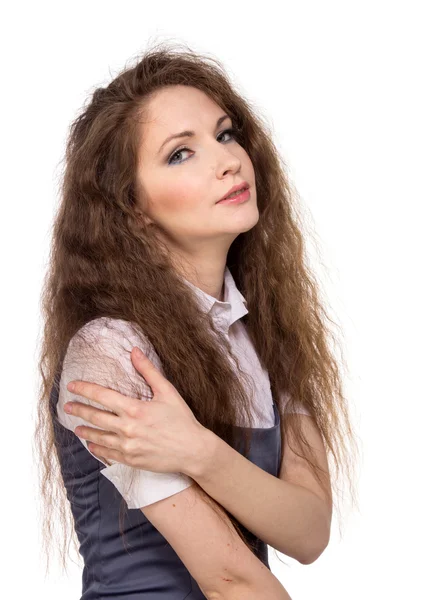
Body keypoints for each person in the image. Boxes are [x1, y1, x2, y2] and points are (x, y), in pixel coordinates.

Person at [34, 42, 359, 599]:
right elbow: (230, 579)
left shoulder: (270, 333)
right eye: (180, 153)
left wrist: (197, 450)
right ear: (132, 206)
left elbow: (307, 532)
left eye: (225, 134)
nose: (228, 160)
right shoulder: (111, 350)